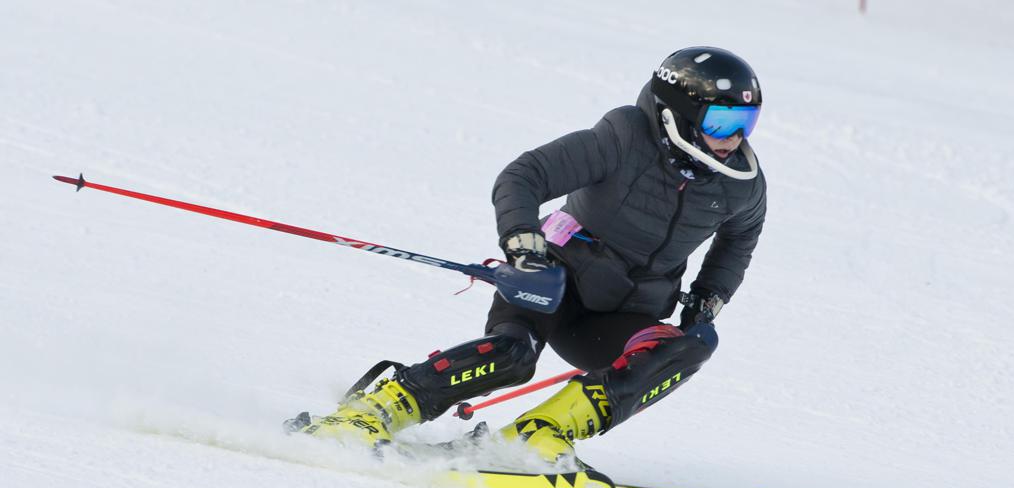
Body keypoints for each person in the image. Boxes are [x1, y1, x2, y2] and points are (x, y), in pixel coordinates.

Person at [287, 47, 767, 465]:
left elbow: (740, 237)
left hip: (622, 315)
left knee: (691, 344)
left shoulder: (742, 186)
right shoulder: (622, 139)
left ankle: (540, 433)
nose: (733, 138)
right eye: (721, 122)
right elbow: (524, 175)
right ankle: (374, 411)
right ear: (676, 115)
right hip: (552, 280)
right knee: (512, 356)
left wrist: (709, 296)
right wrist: (522, 241)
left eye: (745, 123)